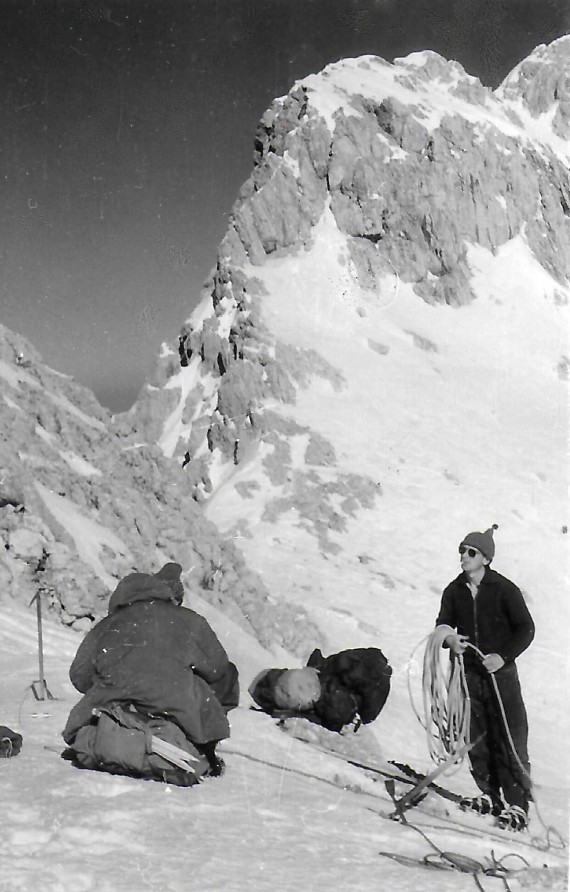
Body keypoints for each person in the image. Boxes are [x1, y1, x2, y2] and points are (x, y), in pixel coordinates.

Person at [63, 563, 239, 784]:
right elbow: (219, 668)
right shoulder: (189, 620)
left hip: (112, 711)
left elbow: (78, 675)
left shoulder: (107, 624)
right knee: (224, 676)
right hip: (174, 714)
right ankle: (205, 744)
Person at [435, 525, 535, 831]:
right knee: (475, 735)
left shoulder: (505, 590)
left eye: (471, 552)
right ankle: (489, 795)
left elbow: (525, 629)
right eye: (462, 550)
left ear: (486, 559)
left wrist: (502, 657)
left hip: (500, 677)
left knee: (509, 736)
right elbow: (443, 624)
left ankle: (517, 805)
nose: (464, 557)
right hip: (468, 676)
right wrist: (449, 640)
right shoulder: (454, 590)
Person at [249, 646, 392, 733]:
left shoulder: (340, 665)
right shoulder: (353, 698)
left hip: (288, 680)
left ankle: (272, 692)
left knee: (291, 687)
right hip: (300, 690)